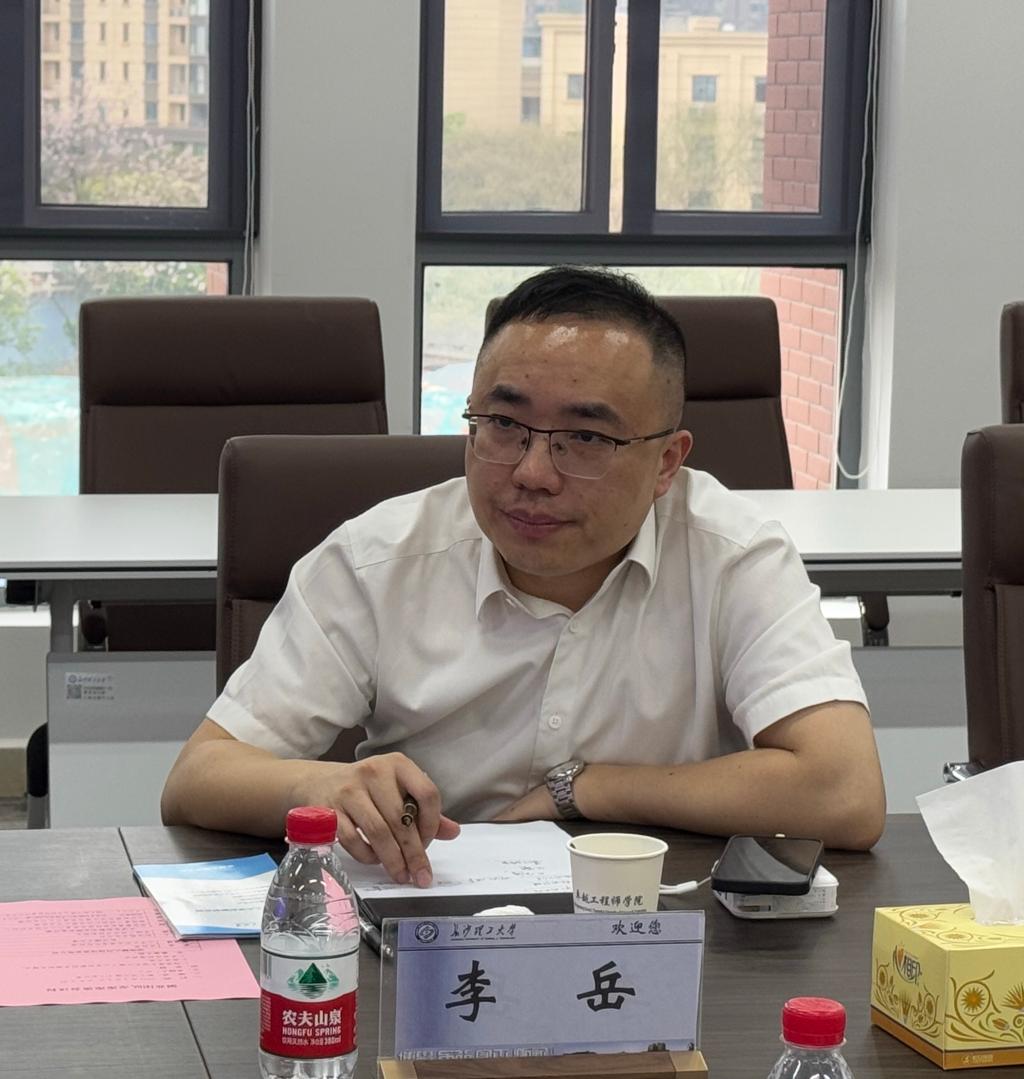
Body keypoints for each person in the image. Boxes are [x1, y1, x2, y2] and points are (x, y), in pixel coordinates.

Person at [161, 267, 885, 886]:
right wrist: (323, 783)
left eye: (586, 437)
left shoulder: (731, 554)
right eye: (504, 426)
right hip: (426, 928)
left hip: (657, 927)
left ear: (667, 462)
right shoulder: (380, 558)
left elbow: (846, 791)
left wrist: (586, 789)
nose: (533, 474)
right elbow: (197, 778)